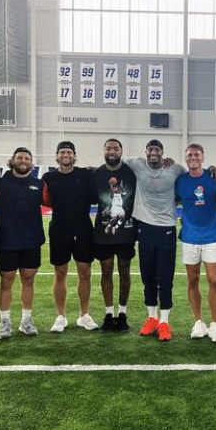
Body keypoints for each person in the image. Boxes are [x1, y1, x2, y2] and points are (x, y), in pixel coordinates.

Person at [124, 140, 187, 341]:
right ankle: (151, 317)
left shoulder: (175, 168)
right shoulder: (137, 163)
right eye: (150, 149)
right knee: (148, 277)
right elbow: (116, 160)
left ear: (162, 153)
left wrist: (213, 170)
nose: (153, 153)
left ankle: (164, 322)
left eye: (157, 150)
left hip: (167, 228)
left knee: (165, 277)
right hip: (144, 228)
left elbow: (193, 175)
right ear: (146, 152)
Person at [42, 141, 98, 333]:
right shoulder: (48, 177)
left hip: (83, 229)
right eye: (62, 152)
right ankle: (60, 316)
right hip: (59, 229)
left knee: (85, 272)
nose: (66, 155)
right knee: (60, 273)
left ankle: (84, 315)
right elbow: (44, 200)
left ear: (74, 156)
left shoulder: (86, 174)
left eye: (69, 152)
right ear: (57, 156)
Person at [175, 143, 216, 342]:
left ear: (203, 157)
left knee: (214, 279)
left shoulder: (214, 176)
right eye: (189, 155)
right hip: (189, 237)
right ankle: (198, 322)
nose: (193, 157)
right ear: (186, 158)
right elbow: (172, 200)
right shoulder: (180, 181)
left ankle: (215, 324)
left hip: (212, 236)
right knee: (193, 279)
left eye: (196, 154)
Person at [0, 147, 45, 339]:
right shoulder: (0, 182)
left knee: (28, 280)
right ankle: (5, 322)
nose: (23, 160)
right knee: (6, 280)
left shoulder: (39, 184)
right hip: (7, 239)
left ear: (31, 163)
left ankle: (26, 320)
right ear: (12, 160)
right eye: (20, 157)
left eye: (27, 158)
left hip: (32, 239)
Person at [91, 138, 137, 333]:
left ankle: (123, 313)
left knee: (125, 271)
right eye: (108, 147)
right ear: (103, 151)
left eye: (116, 148)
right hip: (103, 234)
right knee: (106, 271)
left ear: (121, 151)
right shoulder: (95, 174)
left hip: (126, 232)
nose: (112, 151)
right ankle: (109, 314)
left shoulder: (131, 173)